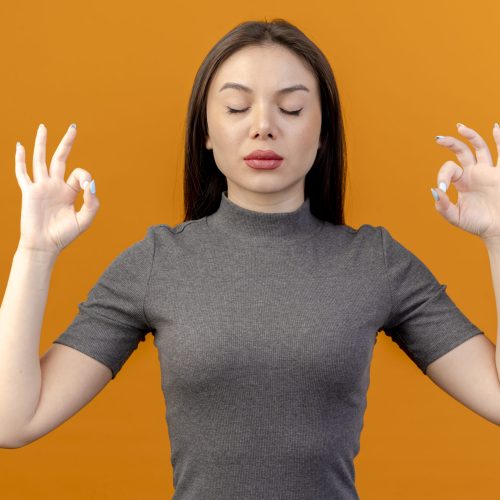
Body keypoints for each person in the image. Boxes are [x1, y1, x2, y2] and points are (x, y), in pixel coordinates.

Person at [1, 17, 498, 500]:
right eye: (237, 108)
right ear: (206, 132)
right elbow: (12, 420)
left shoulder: (375, 262)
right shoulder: (158, 262)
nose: (263, 127)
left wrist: (498, 234)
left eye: (293, 109)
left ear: (323, 132)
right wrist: (35, 251)